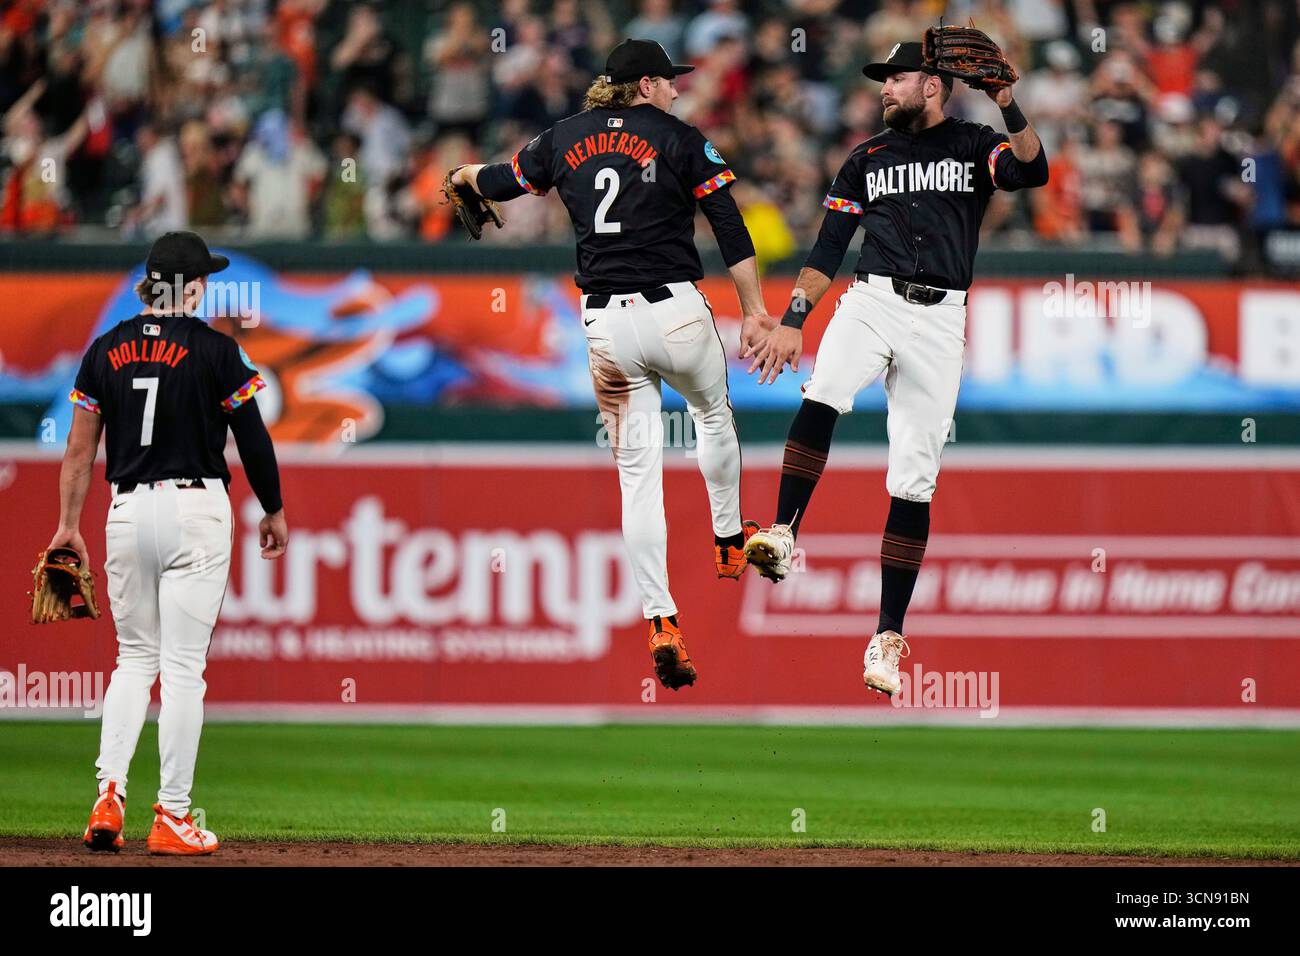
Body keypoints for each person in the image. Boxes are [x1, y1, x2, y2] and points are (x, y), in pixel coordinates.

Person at [449, 39, 773, 690]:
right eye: (671, 80)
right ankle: (730, 541)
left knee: (636, 473)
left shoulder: (563, 138)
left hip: (604, 323)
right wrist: (757, 311)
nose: (678, 89)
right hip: (676, 309)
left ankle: (659, 616)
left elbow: (500, 181)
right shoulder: (680, 138)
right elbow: (730, 226)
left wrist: (461, 178)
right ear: (647, 85)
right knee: (713, 414)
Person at [743, 40, 1049, 697]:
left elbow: (1033, 172)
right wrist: (794, 320)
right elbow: (828, 246)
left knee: (914, 478)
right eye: (884, 79)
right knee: (823, 387)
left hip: (941, 320)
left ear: (933, 86)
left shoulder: (972, 144)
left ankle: (886, 637)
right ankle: (783, 531)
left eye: (898, 78)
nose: (886, 88)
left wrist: (1007, 104)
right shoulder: (867, 158)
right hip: (874, 297)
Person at [53, 231, 288, 855]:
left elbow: (79, 451)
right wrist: (273, 509)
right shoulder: (217, 350)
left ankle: (108, 797)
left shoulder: (105, 348)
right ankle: (173, 815)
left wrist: (66, 525)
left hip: (125, 510)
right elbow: (254, 438)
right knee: (183, 669)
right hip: (194, 507)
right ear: (194, 288)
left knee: (134, 660)